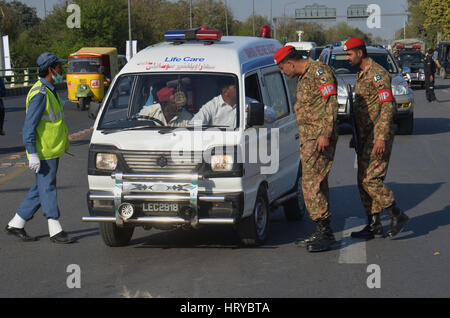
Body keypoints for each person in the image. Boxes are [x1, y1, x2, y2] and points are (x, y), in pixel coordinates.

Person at [274, 45, 338, 252]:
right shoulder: (303, 77)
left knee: (311, 184)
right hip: (309, 138)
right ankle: (321, 230)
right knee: (317, 183)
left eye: (283, 69)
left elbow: (331, 104)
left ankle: (325, 233)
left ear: (290, 63)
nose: (284, 73)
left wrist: (325, 134)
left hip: (319, 139)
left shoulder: (320, 72)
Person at [5, 52, 74, 244]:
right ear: (51, 70)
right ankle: (55, 228)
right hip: (43, 151)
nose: (62, 69)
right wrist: (32, 153)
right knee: (48, 187)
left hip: (50, 149)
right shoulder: (40, 94)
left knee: (40, 188)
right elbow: (28, 126)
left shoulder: (49, 90)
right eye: (59, 67)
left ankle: (16, 224)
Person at [344, 37, 409, 240]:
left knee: (371, 179)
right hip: (365, 136)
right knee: (361, 180)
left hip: (377, 136)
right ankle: (374, 224)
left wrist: (381, 137)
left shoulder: (378, 74)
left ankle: (397, 214)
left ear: (360, 53)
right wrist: (356, 136)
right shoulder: (362, 74)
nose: (347, 58)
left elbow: (387, 106)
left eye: (349, 54)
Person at [190, 77, 277, 128]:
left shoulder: (247, 102)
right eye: (236, 87)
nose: (240, 89)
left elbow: (273, 115)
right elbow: (194, 124)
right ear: (225, 91)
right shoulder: (212, 106)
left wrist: (255, 111)